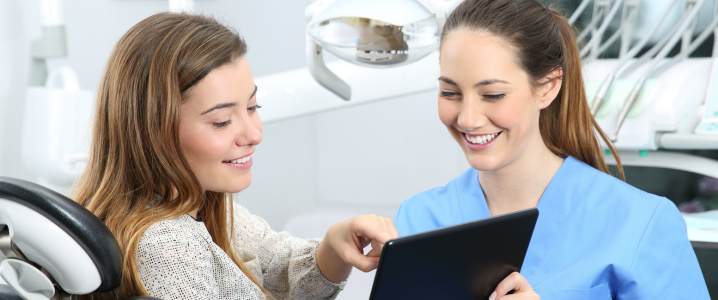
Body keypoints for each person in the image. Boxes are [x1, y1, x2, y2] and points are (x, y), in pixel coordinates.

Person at [393, 0, 710, 299]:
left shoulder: (640, 222)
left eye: (492, 95)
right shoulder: (419, 218)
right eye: (450, 92)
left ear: (547, 87)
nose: (468, 118)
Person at [73, 13, 398, 300]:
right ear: (153, 133)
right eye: (222, 121)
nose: (254, 134)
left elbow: (279, 267)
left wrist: (334, 245)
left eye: (253, 107)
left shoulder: (203, 205)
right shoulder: (168, 244)